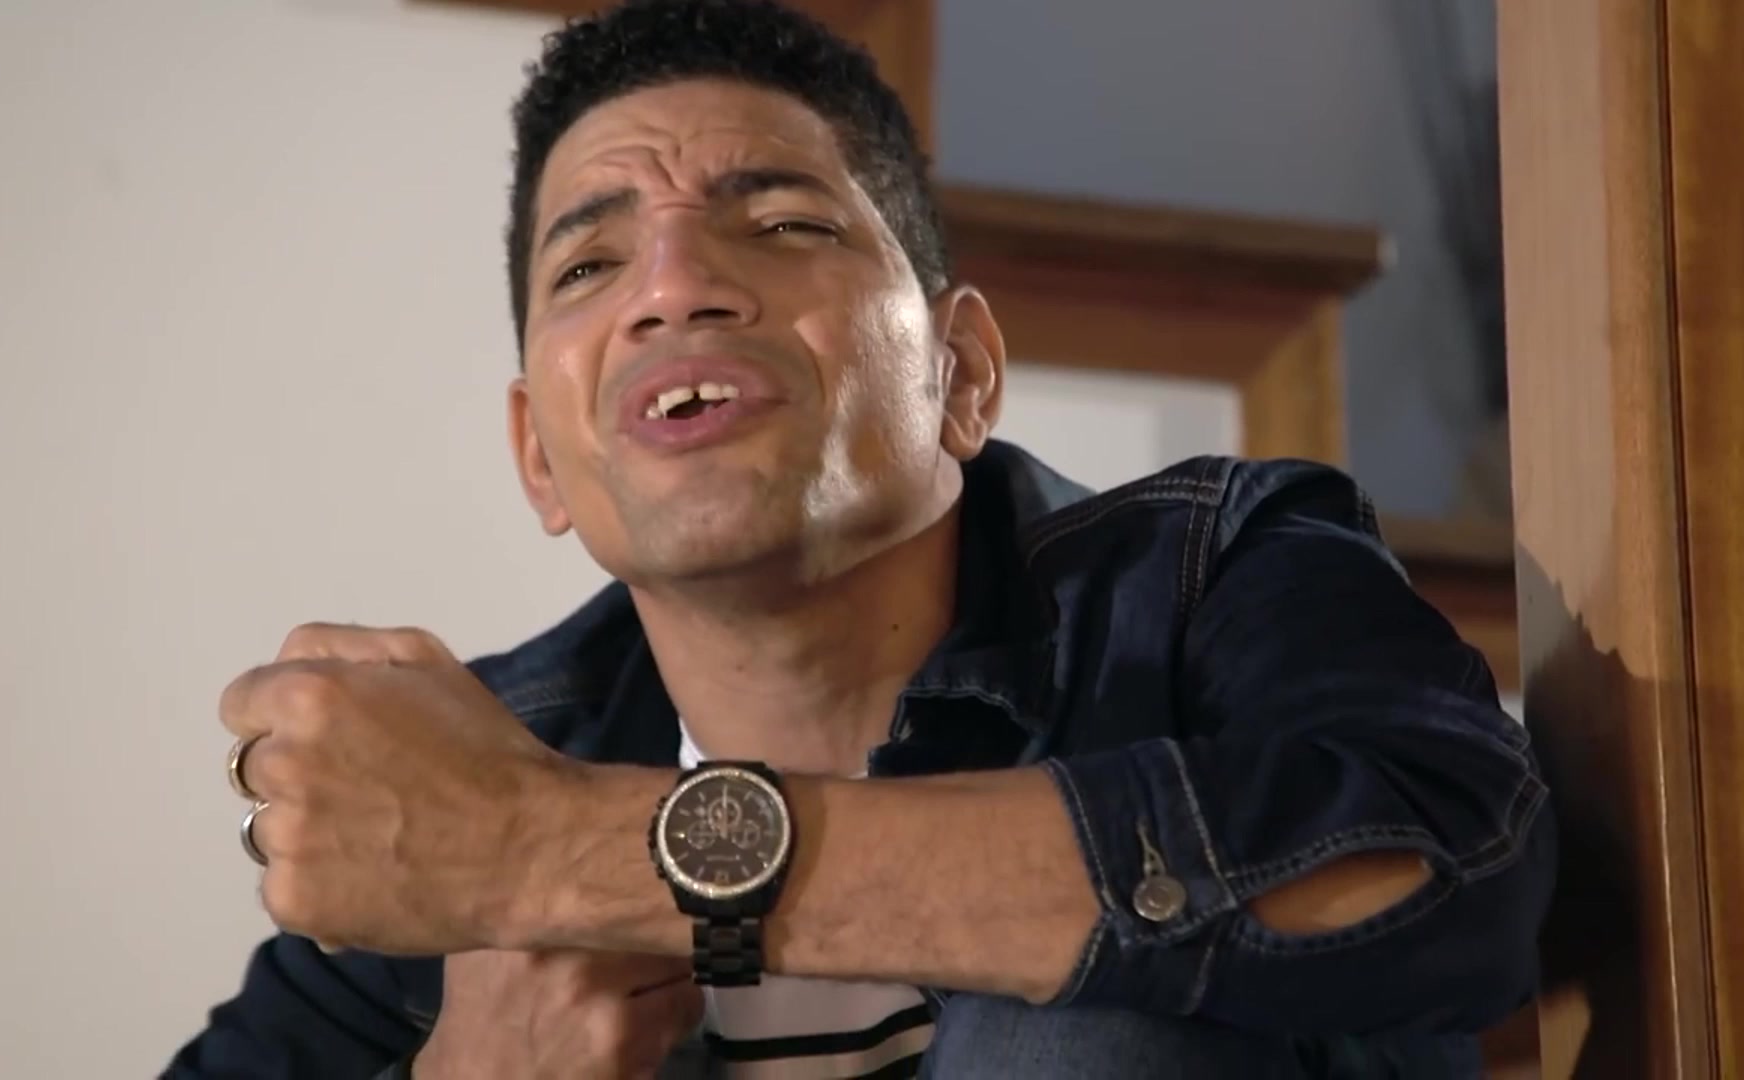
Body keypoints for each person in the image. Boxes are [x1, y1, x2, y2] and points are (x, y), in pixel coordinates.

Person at [168, 0, 1556, 1075]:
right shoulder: (480, 770)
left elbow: (1469, 876)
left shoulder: (1214, 578)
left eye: (782, 223)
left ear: (962, 375)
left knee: (1083, 1028)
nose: (675, 285)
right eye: (589, 263)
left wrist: (565, 852)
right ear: (543, 455)